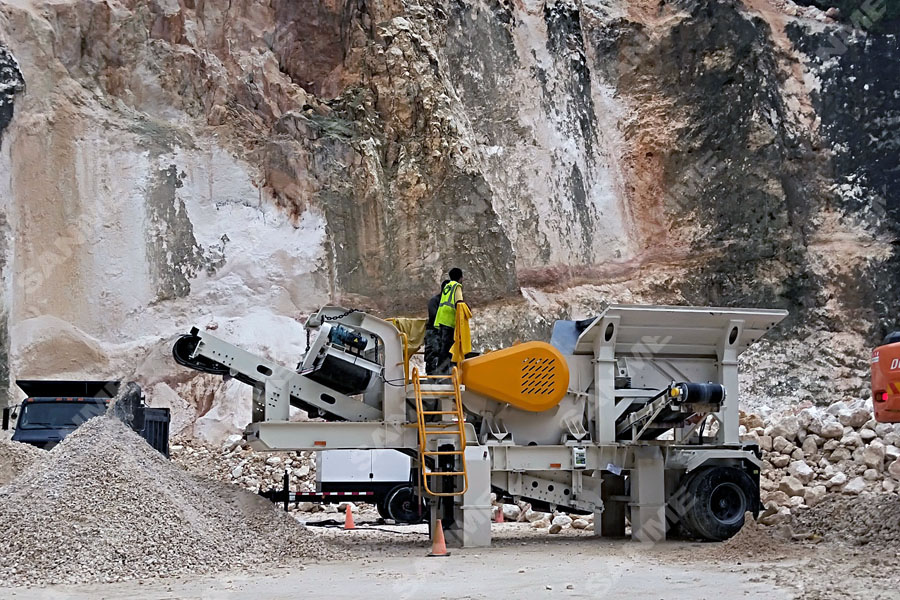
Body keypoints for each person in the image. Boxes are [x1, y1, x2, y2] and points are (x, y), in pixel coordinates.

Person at [433, 268, 464, 374]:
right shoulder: (457, 286)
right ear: (460, 278)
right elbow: (459, 303)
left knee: (443, 347)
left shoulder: (447, 286)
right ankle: (443, 372)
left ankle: (441, 371)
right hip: (449, 320)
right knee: (448, 348)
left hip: (442, 319)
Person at [424, 280, 450, 375]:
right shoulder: (434, 301)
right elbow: (433, 316)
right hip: (434, 332)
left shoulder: (453, 303)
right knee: (433, 354)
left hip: (446, 333)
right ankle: (432, 376)